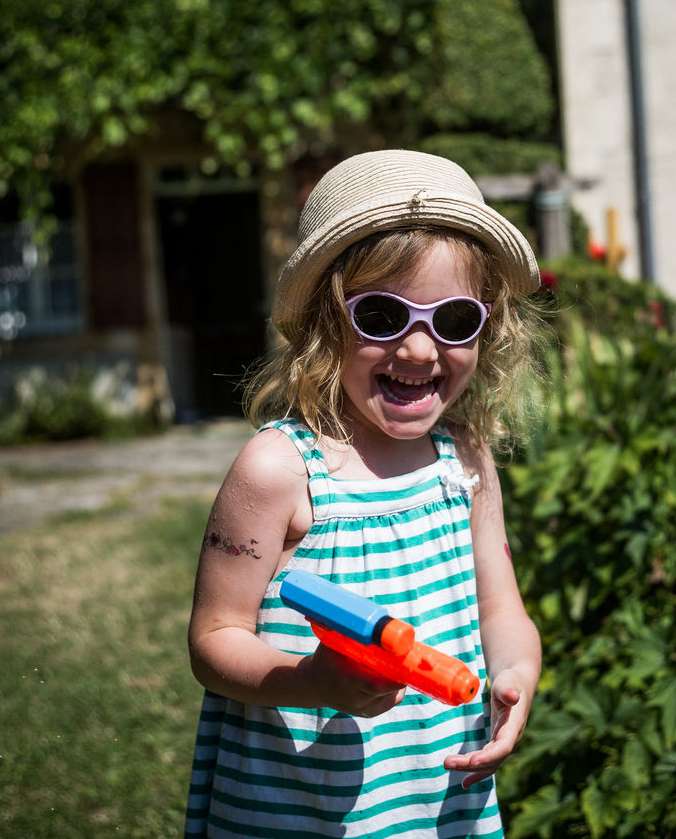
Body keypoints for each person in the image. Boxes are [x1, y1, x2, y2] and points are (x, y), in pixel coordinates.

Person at [182, 149, 545, 838]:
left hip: (439, 809)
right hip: (297, 812)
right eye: (381, 315)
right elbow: (213, 639)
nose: (419, 350)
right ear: (325, 322)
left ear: (489, 326)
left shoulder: (465, 461)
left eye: (455, 320)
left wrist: (516, 675)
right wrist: (311, 682)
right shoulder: (279, 469)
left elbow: (502, 610)